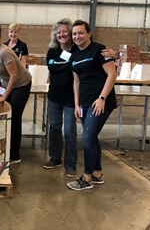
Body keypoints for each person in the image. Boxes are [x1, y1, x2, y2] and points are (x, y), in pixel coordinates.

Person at [67, 20, 117, 191]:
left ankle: (86, 177)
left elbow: (112, 74)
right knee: (92, 137)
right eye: (74, 34)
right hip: (86, 102)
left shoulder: (99, 50)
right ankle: (97, 173)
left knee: (87, 138)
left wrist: (102, 98)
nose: (77, 36)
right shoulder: (74, 56)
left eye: (81, 33)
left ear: (89, 33)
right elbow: (76, 82)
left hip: (101, 102)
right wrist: (76, 105)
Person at [0, 24, 32, 164]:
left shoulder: (5, 52)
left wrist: (4, 96)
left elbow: (14, 75)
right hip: (7, 84)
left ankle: (15, 155)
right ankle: (4, 148)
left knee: (14, 116)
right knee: (5, 115)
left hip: (21, 84)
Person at [43, 18, 78, 178]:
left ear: (70, 33)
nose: (62, 35)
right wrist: (63, 66)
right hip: (54, 96)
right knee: (55, 127)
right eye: (59, 32)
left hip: (71, 98)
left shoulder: (78, 51)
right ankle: (55, 158)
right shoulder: (52, 51)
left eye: (65, 31)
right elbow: (52, 69)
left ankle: (70, 164)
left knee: (69, 131)